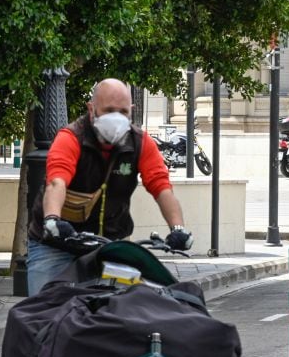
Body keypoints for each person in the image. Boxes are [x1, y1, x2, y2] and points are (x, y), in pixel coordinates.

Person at [26, 78, 194, 295]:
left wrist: (178, 229)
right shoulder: (71, 138)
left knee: (122, 311)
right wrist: (52, 220)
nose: (116, 117)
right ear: (91, 109)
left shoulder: (139, 143)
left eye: (123, 112)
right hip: (57, 244)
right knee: (43, 310)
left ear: (131, 111)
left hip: (108, 244)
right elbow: (57, 181)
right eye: (109, 110)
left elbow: (161, 187)